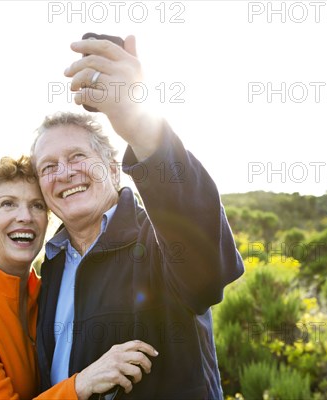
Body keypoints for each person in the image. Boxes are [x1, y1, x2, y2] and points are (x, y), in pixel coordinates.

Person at [31, 36, 245, 399]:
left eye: (78, 157)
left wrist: (139, 125)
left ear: (113, 170)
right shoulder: (49, 267)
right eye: (48, 166)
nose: (64, 173)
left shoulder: (157, 241)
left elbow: (208, 271)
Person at [0, 155, 158, 400]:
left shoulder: (47, 295)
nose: (26, 217)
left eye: (37, 205)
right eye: (8, 204)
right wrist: (82, 384)